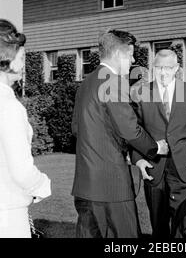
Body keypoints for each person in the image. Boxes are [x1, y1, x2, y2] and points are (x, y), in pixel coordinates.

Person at [71, 29, 169, 238]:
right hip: (111, 186)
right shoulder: (113, 82)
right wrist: (155, 147)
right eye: (130, 54)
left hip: (85, 186)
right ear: (117, 54)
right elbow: (130, 130)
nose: (133, 60)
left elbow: (76, 129)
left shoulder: (86, 83)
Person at [130, 49, 186, 238]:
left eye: (168, 68)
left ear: (176, 68)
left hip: (185, 167)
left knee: (184, 225)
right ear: (153, 68)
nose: (163, 72)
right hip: (153, 168)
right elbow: (134, 131)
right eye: (159, 67)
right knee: (158, 226)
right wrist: (138, 160)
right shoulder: (141, 93)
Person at [0, 19, 51, 238]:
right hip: (8, 212)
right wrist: (42, 186)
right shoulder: (10, 107)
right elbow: (21, 170)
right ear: (7, 61)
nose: (23, 66)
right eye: (21, 58)